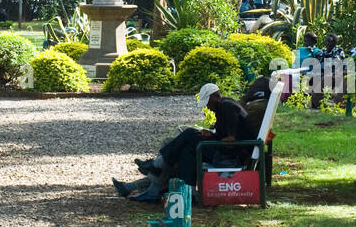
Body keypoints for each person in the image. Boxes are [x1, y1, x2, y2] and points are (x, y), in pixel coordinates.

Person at [113, 82, 264, 203]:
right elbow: (226, 135)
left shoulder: (227, 107)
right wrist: (210, 135)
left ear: (216, 96)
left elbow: (230, 140)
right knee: (186, 149)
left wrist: (211, 137)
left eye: (208, 102)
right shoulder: (225, 106)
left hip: (232, 156)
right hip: (231, 152)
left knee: (189, 135)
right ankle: (183, 189)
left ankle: (157, 165)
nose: (207, 107)